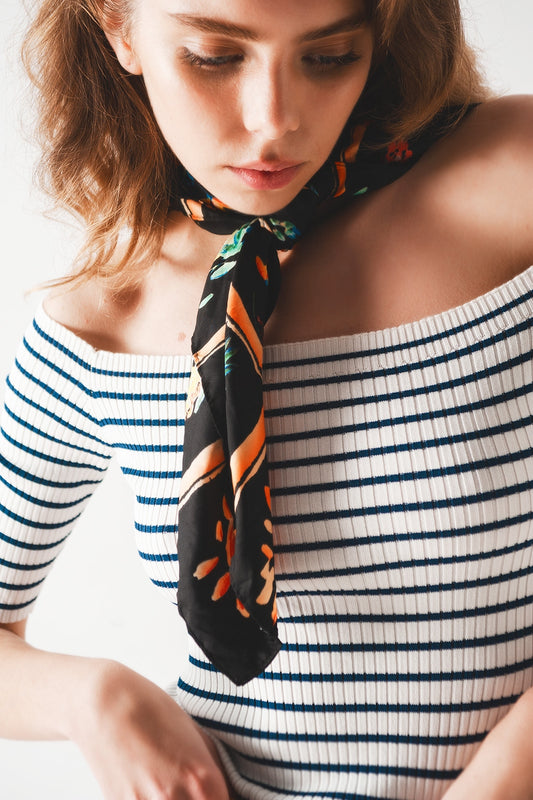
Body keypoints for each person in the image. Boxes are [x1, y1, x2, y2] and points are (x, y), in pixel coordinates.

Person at [0, 0, 532, 797]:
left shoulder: (513, 180)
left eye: (328, 57)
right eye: (213, 56)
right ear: (117, 27)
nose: (272, 121)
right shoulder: (100, 324)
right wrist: (93, 699)